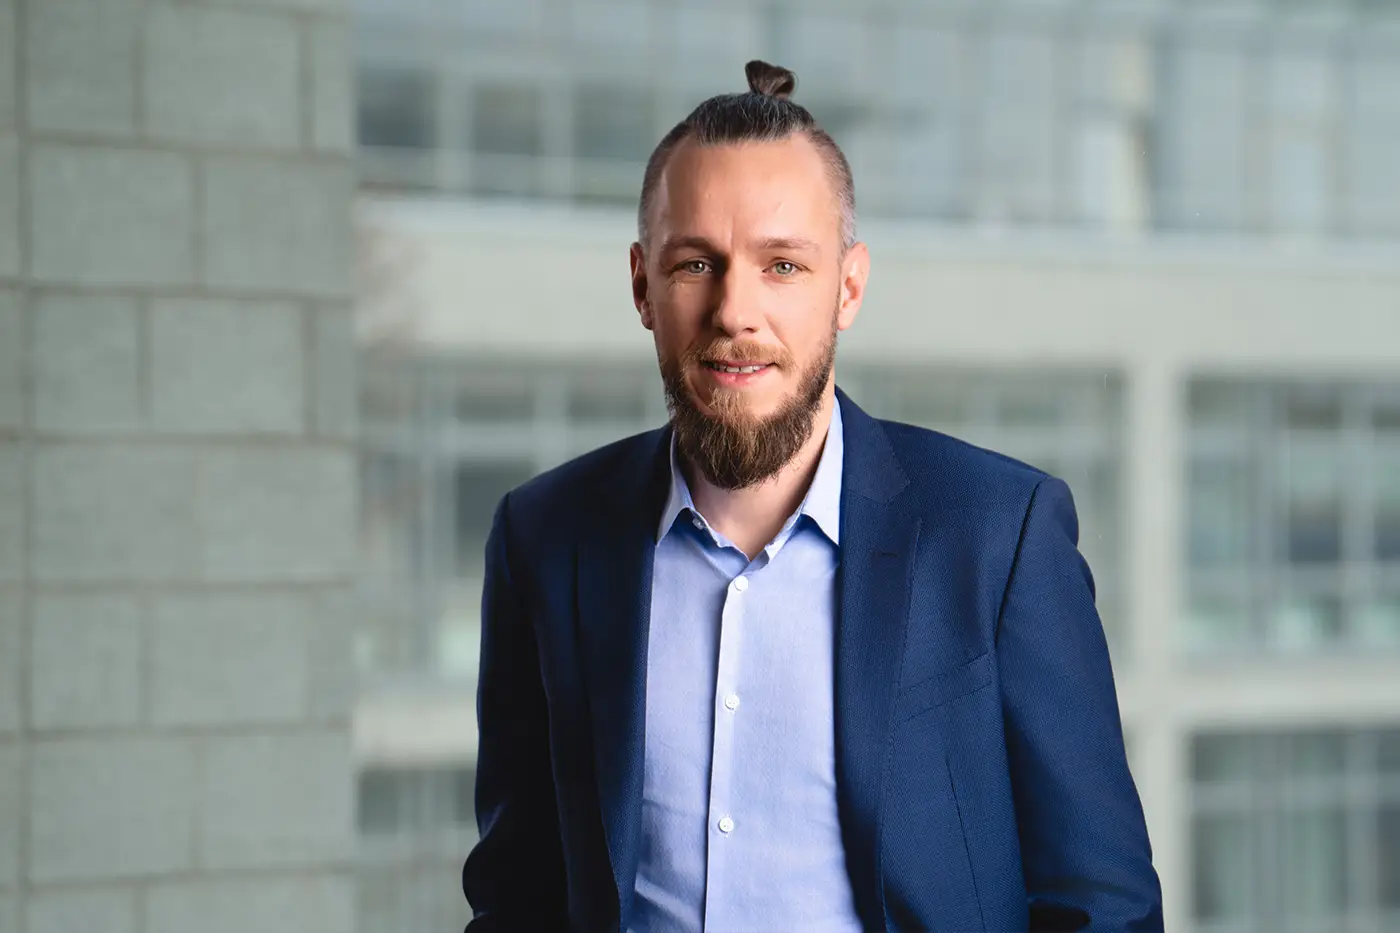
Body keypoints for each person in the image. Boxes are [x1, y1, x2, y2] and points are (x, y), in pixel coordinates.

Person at [463, 60, 1163, 933]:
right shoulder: (544, 538)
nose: (735, 311)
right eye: (696, 263)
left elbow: (1104, 906)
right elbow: (516, 898)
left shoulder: (998, 536)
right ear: (643, 285)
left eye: (783, 265)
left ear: (849, 287)